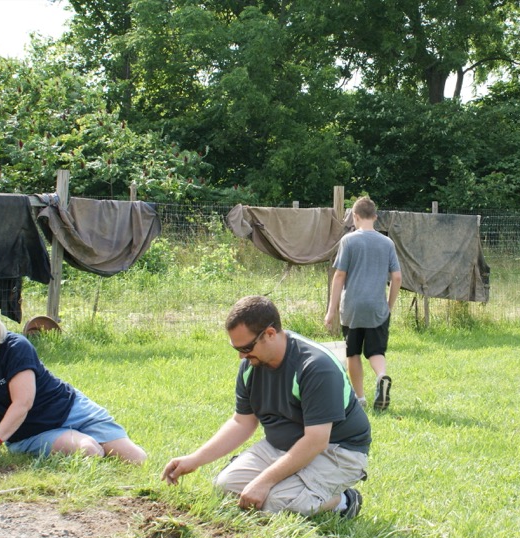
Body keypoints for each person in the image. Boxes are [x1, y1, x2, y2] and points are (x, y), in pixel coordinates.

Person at [162, 295, 370, 518]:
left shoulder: (316, 367)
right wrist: (195, 459)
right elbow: (242, 422)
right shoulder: (251, 365)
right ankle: (296, 486)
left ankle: (344, 501)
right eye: (236, 348)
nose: (241, 356)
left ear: (270, 334)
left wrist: (264, 481)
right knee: (225, 488)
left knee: (274, 503)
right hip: (282, 446)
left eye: (246, 347)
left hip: (336, 450)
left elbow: (316, 440)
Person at [0, 296, 147, 465]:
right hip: (31, 432)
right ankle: (77, 443)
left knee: (137, 460)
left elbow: (22, 403)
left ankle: (88, 439)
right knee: (90, 451)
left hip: (72, 410)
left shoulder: (17, 348)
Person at [324, 196, 402, 411]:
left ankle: (360, 398)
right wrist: (389, 305)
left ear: (355, 217)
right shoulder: (387, 243)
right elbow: (397, 277)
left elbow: (339, 276)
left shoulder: (348, 241)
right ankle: (382, 376)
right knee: (376, 351)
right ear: (375, 217)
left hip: (352, 308)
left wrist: (331, 311)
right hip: (377, 307)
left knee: (353, 353)